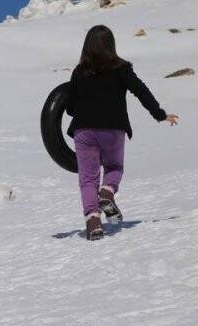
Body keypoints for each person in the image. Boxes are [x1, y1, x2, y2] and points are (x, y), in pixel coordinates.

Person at [66, 25, 179, 240]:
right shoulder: (121, 68)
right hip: (113, 129)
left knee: (88, 178)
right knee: (114, 167)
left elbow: (70, 107)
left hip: (84, 131)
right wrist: (160, 114)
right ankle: (107, 192)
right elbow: (141, 90)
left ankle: (93, 221)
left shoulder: (79, 72)